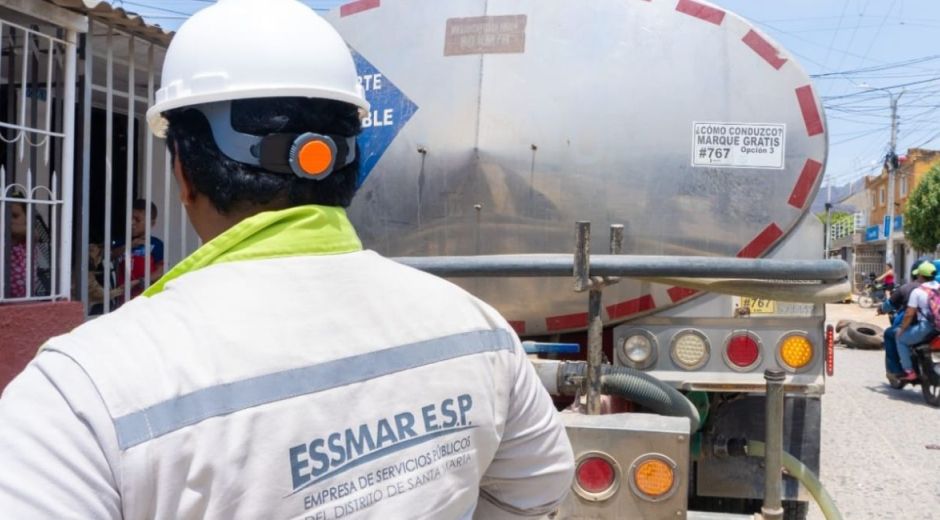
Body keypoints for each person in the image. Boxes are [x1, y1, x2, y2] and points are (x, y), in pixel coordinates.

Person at [0, 1, 574, 518]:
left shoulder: (83, 394)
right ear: (352, 158)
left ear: (181, 169)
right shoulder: (475, 329)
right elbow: (538, 489)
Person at [894, 262, 940, 381]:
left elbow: (909, 314)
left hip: (927, 327)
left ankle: (909, 371)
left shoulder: (918, 291)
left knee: (900, 339)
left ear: (920, 276)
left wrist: (902, 330)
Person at [112, 199, 165, 301]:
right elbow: (107, 257)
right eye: (130, 219)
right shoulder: (122, 242)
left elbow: (161, 271)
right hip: (122, 301)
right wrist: (129, 246)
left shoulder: (155, 244)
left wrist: (139, 282)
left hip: (147, 299)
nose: (132, 223)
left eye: (137, 219)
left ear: (151, 223)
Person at [882, 261, 927, 379]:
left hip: (921, 327)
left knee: (891, 334)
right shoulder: (936, 287)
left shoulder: (909, 289)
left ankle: (899, 370)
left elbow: (908, 314)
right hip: (935, 327)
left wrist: (902, 329)